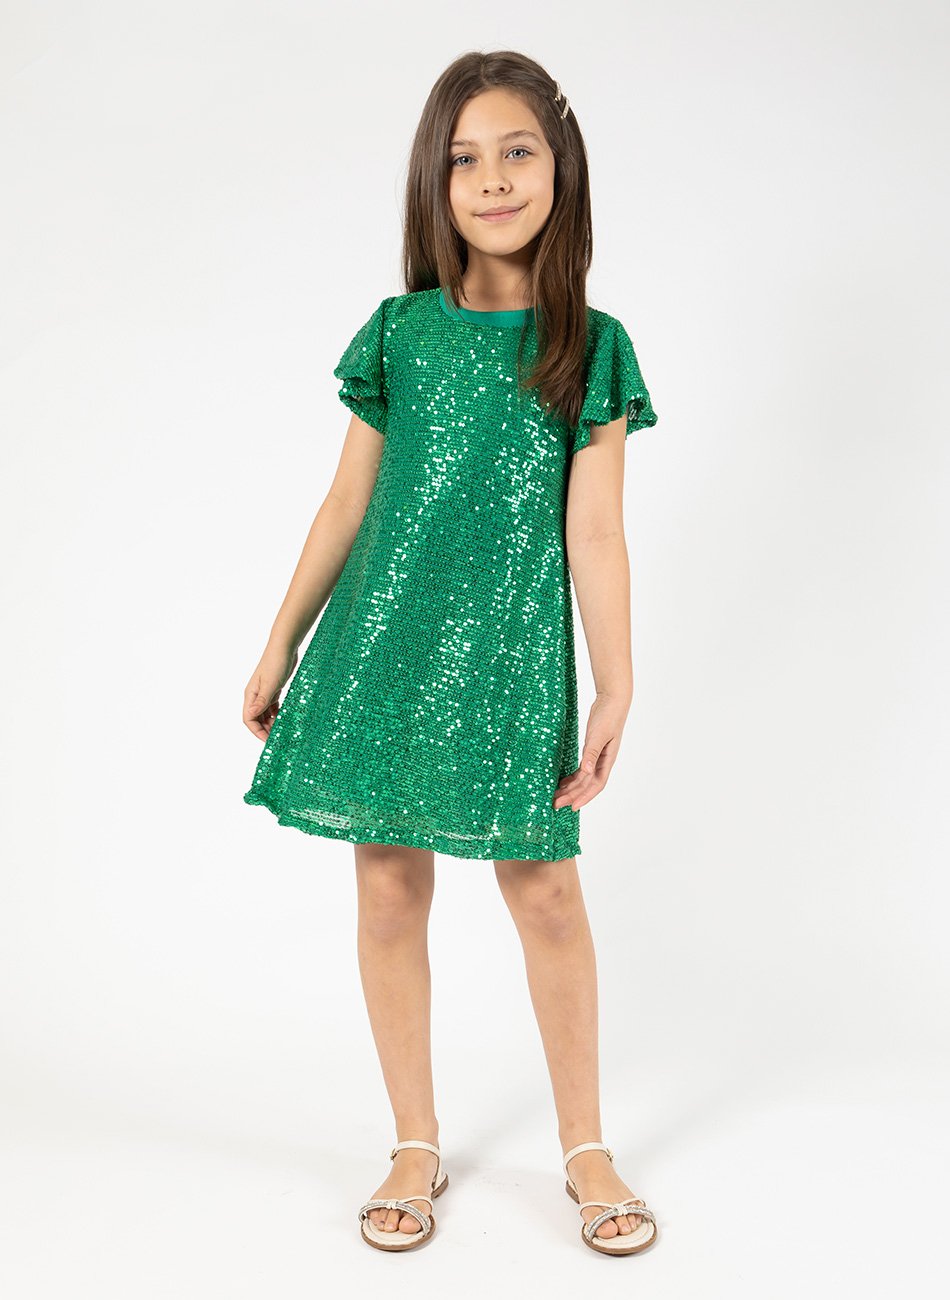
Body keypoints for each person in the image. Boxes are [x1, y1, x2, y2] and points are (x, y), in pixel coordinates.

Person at [242, 50, 660, 1256]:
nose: (491, 179)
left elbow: (595, 531)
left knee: (544, 890)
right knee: (386, 885)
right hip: (380, 645)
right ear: (434, 181)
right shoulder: (400, 334)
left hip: (512, 663)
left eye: (516, 152)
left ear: (559, 168)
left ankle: (584, 1146)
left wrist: (616, 681)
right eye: (463, 159)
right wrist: (278, 642)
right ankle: (413, 1141)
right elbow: (345, 504)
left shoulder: (590, 346)